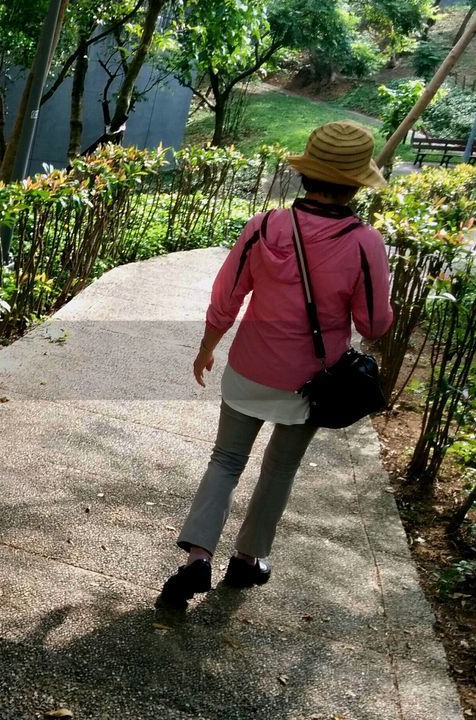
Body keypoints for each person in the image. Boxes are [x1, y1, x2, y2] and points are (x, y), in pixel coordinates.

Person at [155, 121, 396, 611]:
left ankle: (196, 557)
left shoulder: (265, 226)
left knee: (225, 460)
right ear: (355, 184)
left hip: (249, 367)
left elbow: (227, 296)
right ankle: (247, 559)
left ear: (306, 175)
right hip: (311, 383)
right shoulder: (364, 242)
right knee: (280, 468)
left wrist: (207, 347)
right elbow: (373, 322)